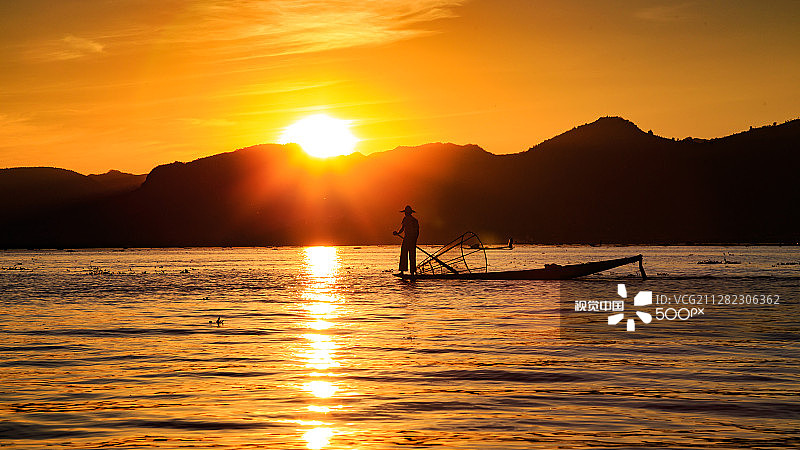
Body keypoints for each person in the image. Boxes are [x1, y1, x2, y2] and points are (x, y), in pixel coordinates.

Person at [393, 205, 419, 274]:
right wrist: (398, 233)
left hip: (411, 239)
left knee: (412, 255)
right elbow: (402, 229)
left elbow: (417, 232)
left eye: (406, 212)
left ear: (409, 213)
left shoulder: (414, 221)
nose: (405, 213)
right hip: (406, 238)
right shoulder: (405, 219)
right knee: (404, 254)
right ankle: (402, 271)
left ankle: (412, 271)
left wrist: (414, 240)